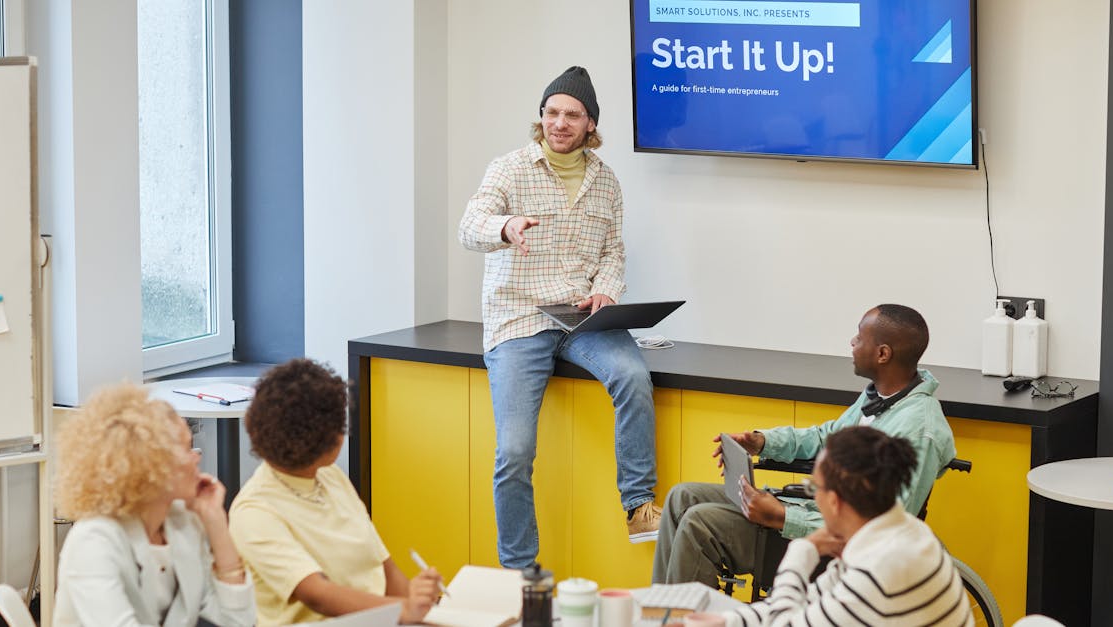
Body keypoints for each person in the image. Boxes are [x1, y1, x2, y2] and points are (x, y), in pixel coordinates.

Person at [457, 65, 660, 568]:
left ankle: (638, 505)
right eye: (552, 113)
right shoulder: (509, 169)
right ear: (541, 118)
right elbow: (470, 226)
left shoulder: (606, 181)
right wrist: (506, 227)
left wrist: (606, 292)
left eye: (572, 115)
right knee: (515, 453)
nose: (560, 123)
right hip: (519, 317)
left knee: (634, 376)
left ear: (591, 123)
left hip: (580, 317)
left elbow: (613, 249)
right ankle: (520, 571)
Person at [653, 304, 957, 586]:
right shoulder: (880, 397)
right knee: (683, 497)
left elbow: (885, 525)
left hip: (829, 542)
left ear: (883, 354)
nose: (852, 342)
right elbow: (827, 437)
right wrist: (762, 442)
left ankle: (681, 615)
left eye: (859, 337)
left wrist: (782, 517)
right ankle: (662, 612)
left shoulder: (919, 429)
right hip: (813, 507)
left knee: (699, 524)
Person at [228, 358, 442, 626]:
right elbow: (318, 594)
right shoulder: (254, 512)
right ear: (329, 438)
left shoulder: (331, 477)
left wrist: (419, 602)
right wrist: (405, 608)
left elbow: (383, 567)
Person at [722, 426, 972, 626]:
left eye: (814, 488)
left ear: (834, 501)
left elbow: (783, 622)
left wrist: (804, 549)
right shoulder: (901, 531)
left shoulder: (876, 572)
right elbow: (812, 600)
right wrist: (724, 621)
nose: (813, 494)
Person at [53, 383, 256, 627]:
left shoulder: (182, 521)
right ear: (148, 464)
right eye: (186, 449)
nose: (197, 457)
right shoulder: (94, 542)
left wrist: (217, 524)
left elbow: (234, 621)